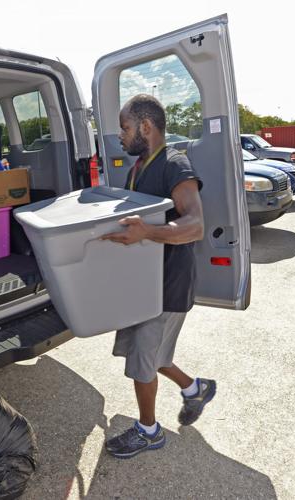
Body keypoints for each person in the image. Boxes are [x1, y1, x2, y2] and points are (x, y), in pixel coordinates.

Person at [100, 94, 216, 459]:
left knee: (142, 360)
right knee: (151, 353)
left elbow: (195, 225)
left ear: (145, 127)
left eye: (125, 127)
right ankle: (195, 388)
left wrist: (147, 234)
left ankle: (149, 431)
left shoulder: (174, 164)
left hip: (166, 284)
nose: (120, 135)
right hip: (144, 281)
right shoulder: (138, 168)